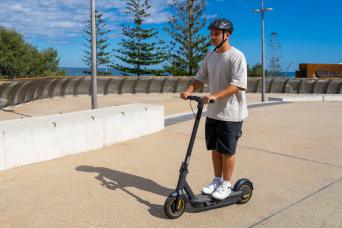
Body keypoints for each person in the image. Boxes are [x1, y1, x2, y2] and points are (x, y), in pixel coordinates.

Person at [180, 18, 248, 200]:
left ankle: (226, 184)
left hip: (231, 113)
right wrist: (188, 91)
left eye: (217, 33)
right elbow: (200, 78)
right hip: (213, 112)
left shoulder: (236, 56)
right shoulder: (210, 57)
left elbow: (237, 85)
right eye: (211, 33)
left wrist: (215, 96)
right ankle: (217, 180)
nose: (213, 37)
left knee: (227, 150)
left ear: (227, 35)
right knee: (215, 149)